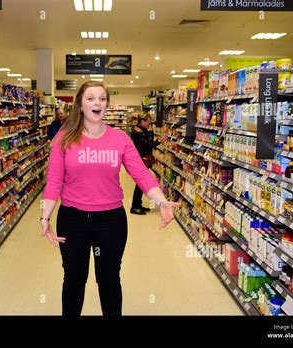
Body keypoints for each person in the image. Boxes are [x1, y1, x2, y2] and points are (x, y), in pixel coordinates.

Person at [40, 81, 180, 316]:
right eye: (91, 98)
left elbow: (141, 174)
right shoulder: (64, 139)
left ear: (107, 105)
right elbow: (54, 181)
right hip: (73, 220)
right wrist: (45, 217)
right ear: (80, 104)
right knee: (73, 280)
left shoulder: (120, 139)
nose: (97, 103)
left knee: (109, 280)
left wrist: (162, 201)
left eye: (102, 99)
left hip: (110, 222)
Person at [130, 113, 159, 215]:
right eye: (148, 121)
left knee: (141, 184)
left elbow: (149, 144)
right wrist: (151, 133)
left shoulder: (142, 130)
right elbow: (146, 144)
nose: (150, 123)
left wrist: (158, 141)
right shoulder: (136, 132)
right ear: (142, 121)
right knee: (140, 184)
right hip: (141, 160)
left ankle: (138, 204)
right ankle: (135, 207)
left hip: (145, 159)